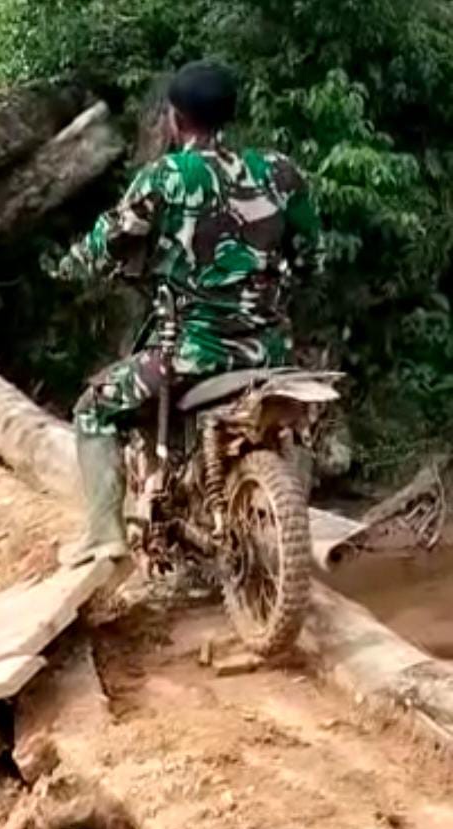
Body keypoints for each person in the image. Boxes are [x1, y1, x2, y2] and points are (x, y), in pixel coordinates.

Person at [56, 61, 322, 567]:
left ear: (175, 119)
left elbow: (107, 242)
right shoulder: (281, 171)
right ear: (232, 115)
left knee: (93, 408)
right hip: (268, 351)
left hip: (189, 357)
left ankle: (104, 537)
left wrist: (72, 265)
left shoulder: (167, 177)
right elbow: (311, 256)